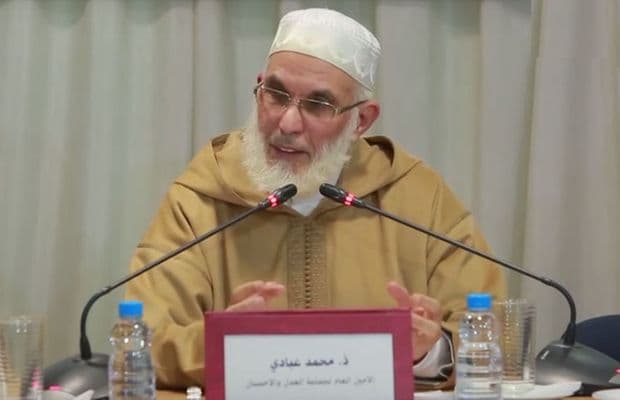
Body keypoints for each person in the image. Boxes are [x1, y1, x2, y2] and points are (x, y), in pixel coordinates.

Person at [125, 8, 506, 389]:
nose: (288, 123)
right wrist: (224, 342)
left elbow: (491, 331)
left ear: (361, 121)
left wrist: (429, 351)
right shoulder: (199, 200)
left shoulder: (418, 199)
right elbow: (143, 342)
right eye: (276, 95)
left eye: (318, 105)